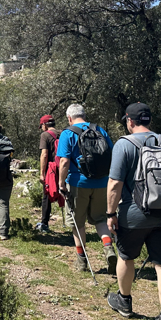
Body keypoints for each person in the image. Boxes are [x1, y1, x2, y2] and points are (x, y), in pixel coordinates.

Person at [106, 102, 161, 320]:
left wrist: (111, 214)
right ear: (148, 120)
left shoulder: (124, 144)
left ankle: (124, 300)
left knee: (126, 257)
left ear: (130, 121)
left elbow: (114, 183)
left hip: (133, 214)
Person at [57, 103, 117, 274]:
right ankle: (108, 248)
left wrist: (61, 184)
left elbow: (64, 161)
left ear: (69, 118)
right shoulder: (100, 131)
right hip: (102, 182)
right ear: (84, 114)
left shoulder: (68, 133)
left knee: (78, 222)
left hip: (78, 183)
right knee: (100, 219)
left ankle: (82, 260)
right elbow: (111, 155)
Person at [36, 114, 60, 233]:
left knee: (46, 195)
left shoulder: (45, 135)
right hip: (64, 167)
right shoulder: (62, 133)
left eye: (41, 126)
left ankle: (44, 223)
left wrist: (42, 173)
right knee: (65, 193)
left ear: (44, 125)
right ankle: (74, 224)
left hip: (51, 169)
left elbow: (44, 154)